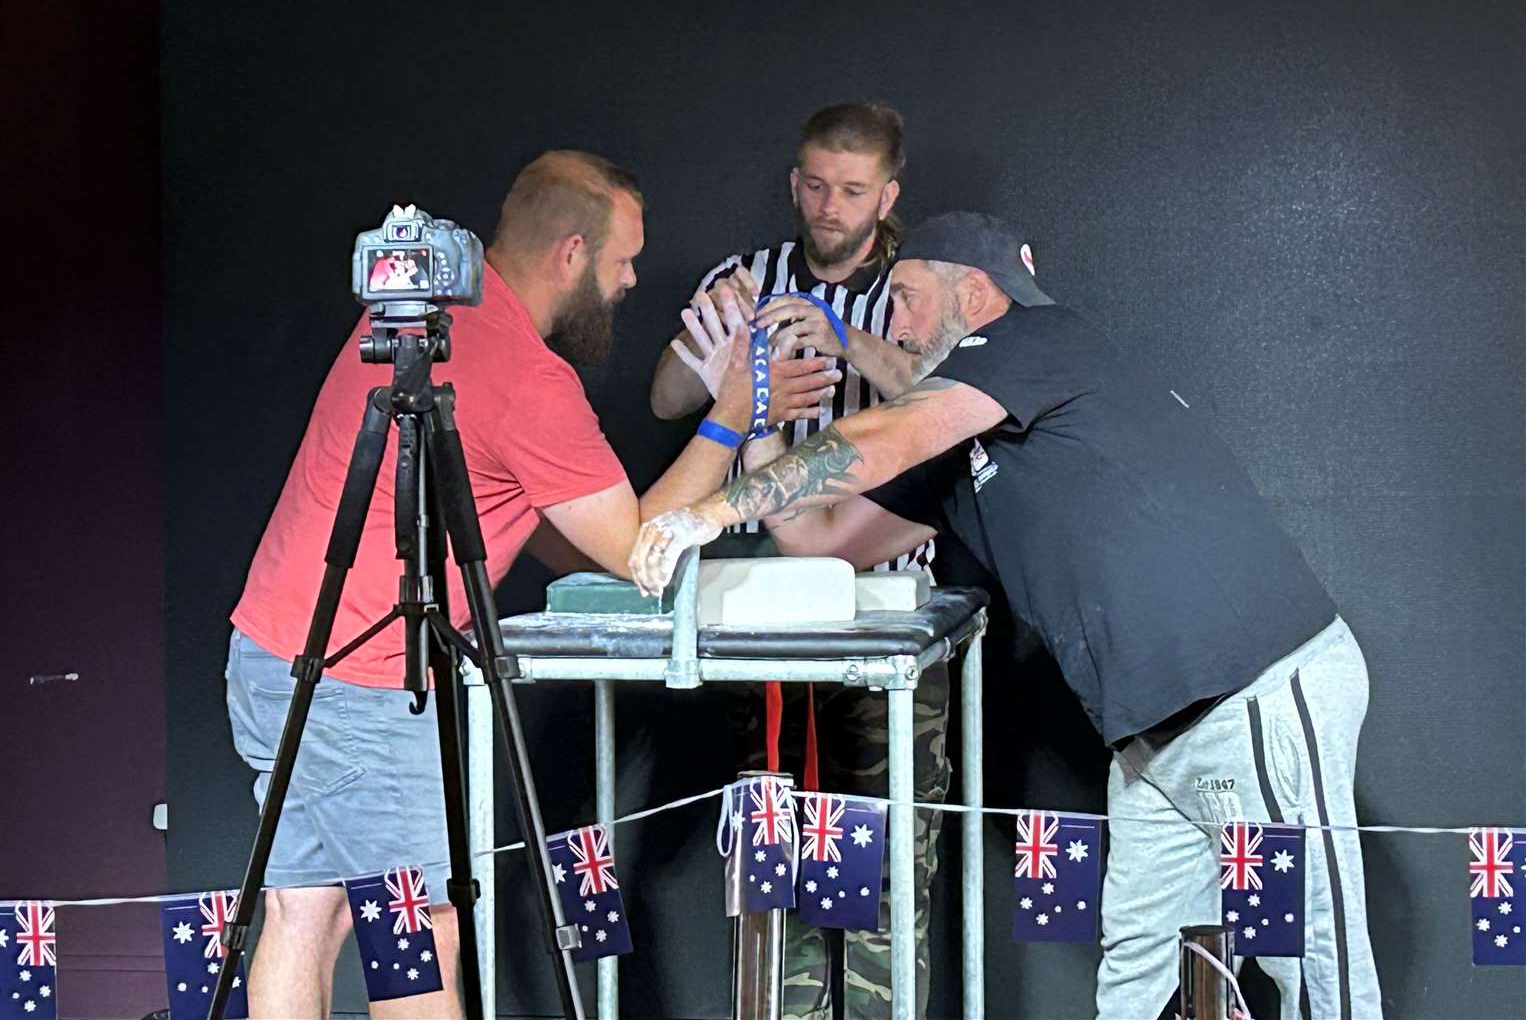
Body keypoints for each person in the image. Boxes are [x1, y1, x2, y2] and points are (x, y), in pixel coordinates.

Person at [629, 211, 1383, 1020]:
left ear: (977, 294)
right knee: (1138, 970)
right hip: (1155, 732)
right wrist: (754, 425)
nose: (899, 324)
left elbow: (885, 431)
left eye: (912, 300)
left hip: (1250, 688)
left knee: (1309, 957)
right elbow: (823, 544)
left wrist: (706, 514)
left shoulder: (1036, 340)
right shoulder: (958, 446)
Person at [225, 150, 839, 1018]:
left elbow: (563, 542)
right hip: (364, 682)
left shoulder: (423, 322)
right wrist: (736, 413)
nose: (630, 283)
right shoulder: (523, 375)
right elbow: (634, 551)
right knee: (416, 926)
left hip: (270, 654)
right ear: (572, 253)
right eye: (623, 261)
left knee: (303, 907)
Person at [649, 102, 951, 1020]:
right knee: (772, 832)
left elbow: (955, 395)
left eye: (853, 190)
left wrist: (846, 338)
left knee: (887, 840)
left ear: (888, 193)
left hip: (883, 593)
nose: (830, 205)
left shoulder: (918, 284)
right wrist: (732, 368)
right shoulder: (747, 276)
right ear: (793, 181)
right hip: (767, 599)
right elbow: (664, 395)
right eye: (816, 184)